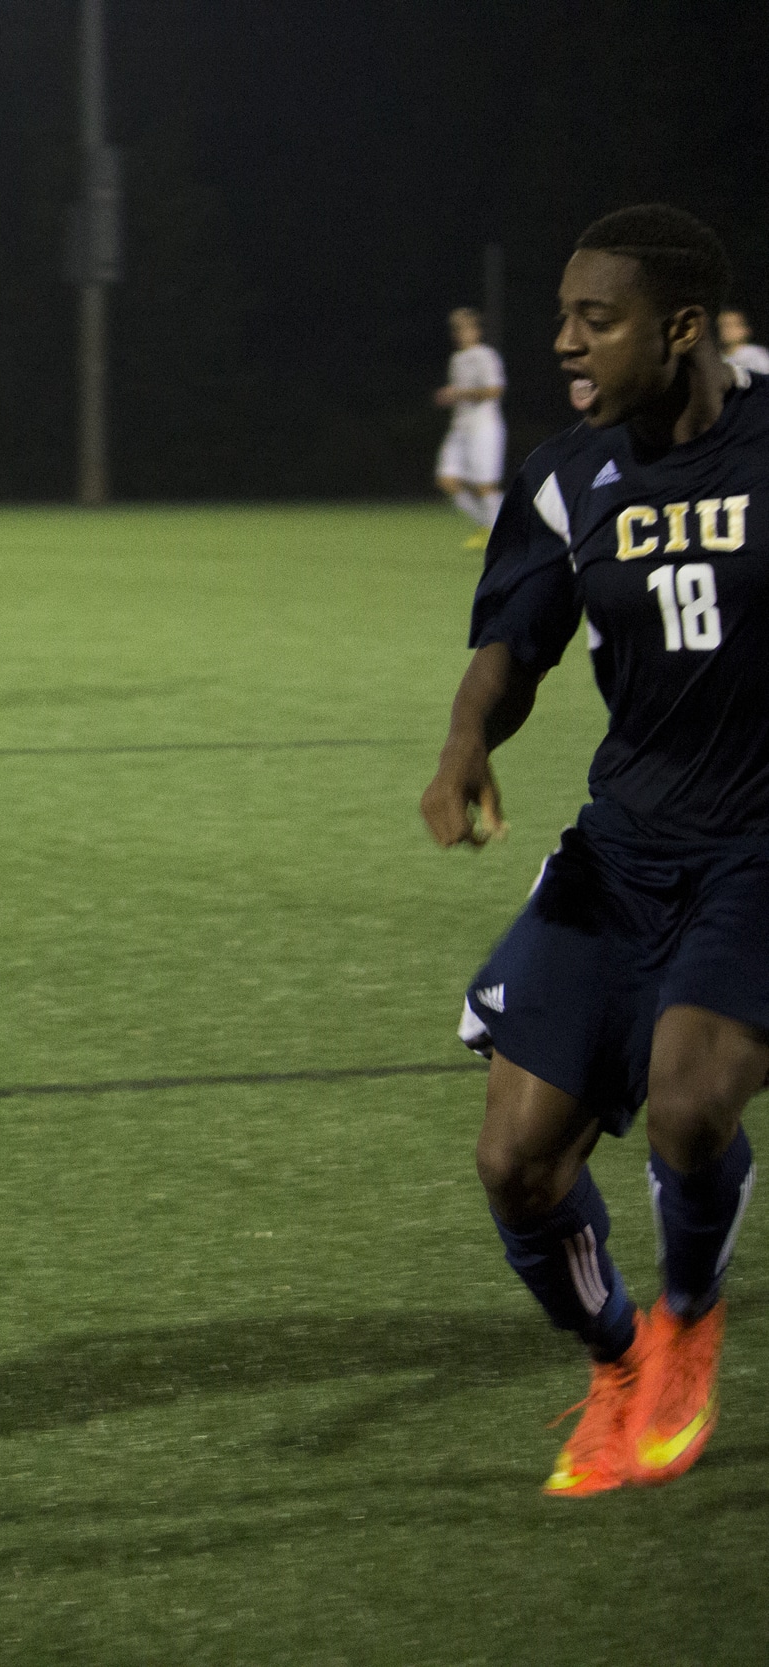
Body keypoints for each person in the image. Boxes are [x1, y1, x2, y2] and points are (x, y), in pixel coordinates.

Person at [421, 204, 765, 1498]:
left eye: (595, 318)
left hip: (760, 847)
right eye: (562, 312)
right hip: (625, 844)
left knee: (688, 1099)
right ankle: (617, 1357)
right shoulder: (572, 476)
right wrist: (467, 744)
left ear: (681, 329)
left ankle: (687, 1316)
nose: (563, 340)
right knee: (515, 1160)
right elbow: (515, 641)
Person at [434, 307, 508, 544]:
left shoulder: (485, 355)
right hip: (460, 428)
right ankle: (489, 526)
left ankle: (502, 531)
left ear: (476, 331)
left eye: (466, 328)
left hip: (484, 426)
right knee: (447, 480)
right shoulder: (456, 359)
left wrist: (458, 394)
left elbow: (494, 390)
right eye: (457, 329)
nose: (461, 333)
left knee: (485, 486)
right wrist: (452, 397)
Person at [718, 308, 769, 378]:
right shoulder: (719, 358)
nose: (726, 330)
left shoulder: (755, 354)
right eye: (722, 325)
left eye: (732, 325)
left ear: (746, 330)